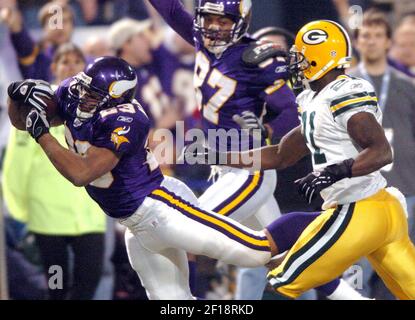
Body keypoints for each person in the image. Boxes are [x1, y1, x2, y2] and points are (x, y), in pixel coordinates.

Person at [7, 56, 283, 300]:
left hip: (163, 208)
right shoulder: (76, 92)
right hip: (136, 227)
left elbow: (82, 173)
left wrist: (42, 135)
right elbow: (27, 119)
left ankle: (317, 234)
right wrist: (19, 99)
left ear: (115, 98)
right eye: (84, 89)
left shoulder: (127, 119)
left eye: (93, 96)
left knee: (255, 251)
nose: (83, 99)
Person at [189, 19, 415, 300]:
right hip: (372, 208)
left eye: (301, 56)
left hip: (360, 209)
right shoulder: (312, 98)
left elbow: (381, 151)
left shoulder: (344, 92)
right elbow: (283, 154)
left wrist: (335, 172)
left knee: (283, 281)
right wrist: (222, 156)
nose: (294, 63)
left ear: (322, 56)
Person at [3, 43, 106, 300]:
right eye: (64, 61)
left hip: (91, 216)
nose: (70, 67)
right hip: (47, 218)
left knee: (87, 286)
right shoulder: (34, 108)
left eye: (76, 61)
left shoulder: (98, 109)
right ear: (54, 67)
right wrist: (20, 212)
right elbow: (16, 166)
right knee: (57, 289)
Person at [348, 10, 415, 299]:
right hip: (358, 191)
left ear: (389, 42)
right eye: (366, 35)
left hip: (405, 188)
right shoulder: (342, 88)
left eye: (378, 36)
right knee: (355, 273)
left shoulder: (407, 86)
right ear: (357, 41)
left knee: (401, 271)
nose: (371, 41)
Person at [0, 1, 75, 81]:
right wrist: (11, 17)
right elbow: (20, 36)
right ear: (44, 28)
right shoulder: (34, 56)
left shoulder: (84, 58)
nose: (60, 27)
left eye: (65, 21)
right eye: (54, 22)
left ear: (73, 26)